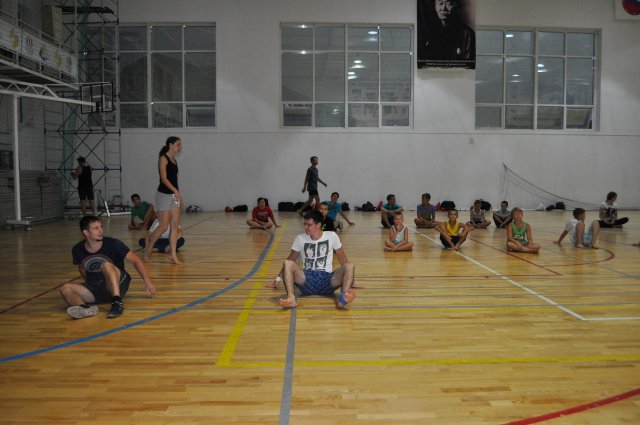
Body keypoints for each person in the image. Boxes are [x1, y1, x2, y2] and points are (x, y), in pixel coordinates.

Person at [60, 215, 156, 319]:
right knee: (65, 288)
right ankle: (84, 309)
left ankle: (117, 303)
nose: (100, 230)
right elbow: (82, 268)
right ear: (86, 233)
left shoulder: (113, 244)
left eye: (101, 227)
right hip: (97, 288)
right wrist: (90, 283)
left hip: (118, 283)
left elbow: (136, 260)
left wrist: (147, 281)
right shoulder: (77, 249)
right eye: (96, 228)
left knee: (105, 265)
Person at [267, 210, 356, 309]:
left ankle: (341, 300)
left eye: (309, 225)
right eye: (304, 224)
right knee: (287, 263)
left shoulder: (332, 236)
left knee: (350, 266)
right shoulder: (300, 238)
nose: (305, 227)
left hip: (327, 280)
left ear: (318, 225)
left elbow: (342, 259)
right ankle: (291, 298)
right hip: (306, 279)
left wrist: (350, 280)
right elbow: (290, 259)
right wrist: (278, 278)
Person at [145, 136, 183, 264]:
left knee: (175, 226)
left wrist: (178, 194)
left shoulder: (174, 160)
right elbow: (164, 179)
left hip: (174, 196)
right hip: (163, 195)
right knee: (163, 226)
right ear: (170, 145)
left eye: (180, 145)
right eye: (178, 144)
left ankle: (173, 255)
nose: (180, 147)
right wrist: (175, 191)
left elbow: (174, 180)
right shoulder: (163, 159)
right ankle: (148, 250)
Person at [418, 0, 476, 68]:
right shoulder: (429, 32)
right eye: (440, 3)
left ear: (457, 6)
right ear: (435, 6)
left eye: (449, 4)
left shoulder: (467, 34)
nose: (443, 8)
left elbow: (468, 66)